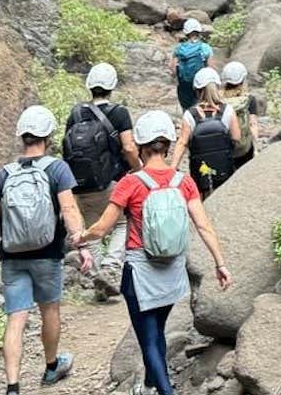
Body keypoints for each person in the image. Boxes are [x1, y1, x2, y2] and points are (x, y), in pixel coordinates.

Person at [75, 110, 232, 395]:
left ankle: (165, 391)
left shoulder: (131, 183)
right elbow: (204, 225)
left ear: (140, 145)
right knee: (156, 331)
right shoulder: (183, 182)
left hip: (140, 271)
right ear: (168, 145)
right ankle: (149, 384)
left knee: (149, 339)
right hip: (172, 270)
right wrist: (220, 263)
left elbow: (102, 228)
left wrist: (81, 238)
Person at [0, 106, 90, 394]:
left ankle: (12, 386)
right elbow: (69, 209)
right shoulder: (57, 169)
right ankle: (51, 366)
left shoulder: (4, 174)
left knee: (15, 318)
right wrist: (81, 244)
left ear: (22, 137)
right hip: (47, 254)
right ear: (48, 136)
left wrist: (16, 235)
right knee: (50, 309)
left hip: (12, 257)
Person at [63, 63, 142, 298]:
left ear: (89, 86)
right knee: (123, 223)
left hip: (81, 185)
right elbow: (129, 147)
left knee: (92, 230)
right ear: (112, 86)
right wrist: (138, 169)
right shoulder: (119, 113)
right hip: (112, 183)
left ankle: (97, 279)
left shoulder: (76, 113)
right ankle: (110, 267)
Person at [173, 67, 241, 196]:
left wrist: (172, 169)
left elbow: (182, 143)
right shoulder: (228, 110)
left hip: (199, 172)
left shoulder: (190, 115)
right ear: (217, 87)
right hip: (224, 169)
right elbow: (236, 137)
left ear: (197, 90)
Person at [219, 61, 262, 171]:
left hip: (223, 148)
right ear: (243, 80)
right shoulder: (249, 99)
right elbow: (253, 124)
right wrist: (256, 147)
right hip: (244, 149)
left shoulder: (218, 101)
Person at [170, 19, 216, 111]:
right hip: (201, 85)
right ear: (199, 31)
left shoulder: (179, 48)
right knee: (201, 110)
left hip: (184, 86)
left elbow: (173, 70)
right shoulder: (205, 48)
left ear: (186, 32)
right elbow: (210, 69)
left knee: (187, 110)